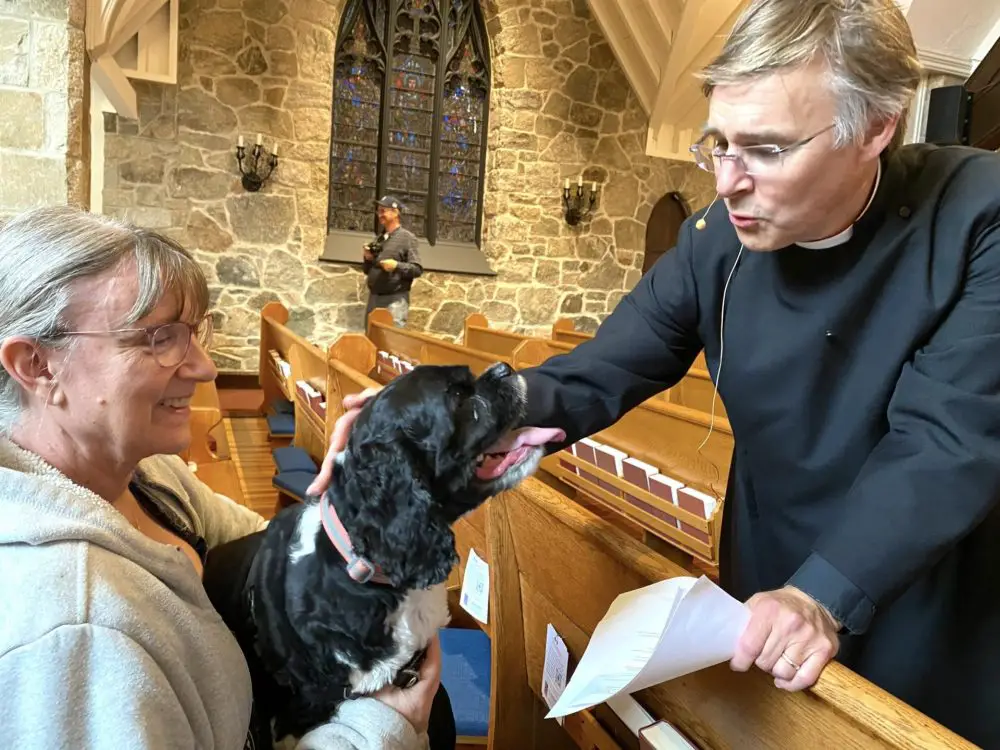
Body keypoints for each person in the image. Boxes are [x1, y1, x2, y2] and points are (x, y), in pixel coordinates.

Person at [314, 1, 1000, 745]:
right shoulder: (716, 240)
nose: (729, 182)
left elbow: (946, 441)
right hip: (769, 567)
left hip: (921, 581)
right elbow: (600, 369)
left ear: (876, 127)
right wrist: (443, 419)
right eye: (720, 145)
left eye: (766, 151)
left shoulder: (978, 215)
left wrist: (822, 593)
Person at [0, 206, 442, 750]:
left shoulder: (142, 476)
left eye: (192, 334)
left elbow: (277, 556)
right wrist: (379, 727)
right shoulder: (75, 631)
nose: (205, 367)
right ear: (37, 365)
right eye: (159, 338)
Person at [363, 196, 423, 327]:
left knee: (391, 342)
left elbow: (417, 269)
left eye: (383, 211)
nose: (380, 215)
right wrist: (368, 259)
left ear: (395, 213)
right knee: (371, 342)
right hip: (374, 299)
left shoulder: (407, 238)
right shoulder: (379, 239)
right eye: (379, 211)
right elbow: (367, 270)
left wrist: (396, 265)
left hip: (395, 301)